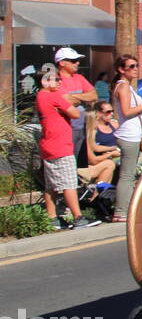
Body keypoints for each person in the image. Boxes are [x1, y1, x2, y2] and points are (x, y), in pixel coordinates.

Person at [35, 72, 99, 229]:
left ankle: (52, 219)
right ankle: (78, 218)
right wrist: (71, 101)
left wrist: (67, 103)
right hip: (60, 146)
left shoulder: (40, 96)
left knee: (51, 186)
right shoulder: (52, 96)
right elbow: (76, 114)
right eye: (55, 80)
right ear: (44, 82)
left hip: (49, 145)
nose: (59, 82)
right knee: (69, 183)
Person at [110, 54, 142, 222]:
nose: (136, 69)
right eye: (131, 66)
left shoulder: (126, 87)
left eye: (137, 65)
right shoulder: (123, 87)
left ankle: (128, 206)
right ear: (121, 70)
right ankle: (121, 211)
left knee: (130, 173)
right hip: (128, 136)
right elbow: (126, 111)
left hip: (132, 135)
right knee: (127, 175)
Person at [53, 47, 97, 161]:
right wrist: (83, 97)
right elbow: (63, 101)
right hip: (65, 129)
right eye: (73, 60)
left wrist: (74, 97)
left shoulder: (79, 77)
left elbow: (93, 96)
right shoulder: (54, 80)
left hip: (81, 127)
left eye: (77, 60)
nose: (77, 63)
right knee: (67, 162)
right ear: (62, 63)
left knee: (78, 163)